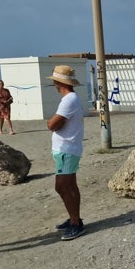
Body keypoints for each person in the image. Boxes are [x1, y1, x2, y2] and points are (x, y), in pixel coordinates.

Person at [46, 65, 86, 241]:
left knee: (62, 186)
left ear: (57, 82)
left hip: (67, 149)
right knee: (69, 185)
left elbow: (53, 124)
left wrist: (50, 123)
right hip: (67, 149)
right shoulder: (71, 98)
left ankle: (76, 223)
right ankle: (74, 218)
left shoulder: (69, 100)